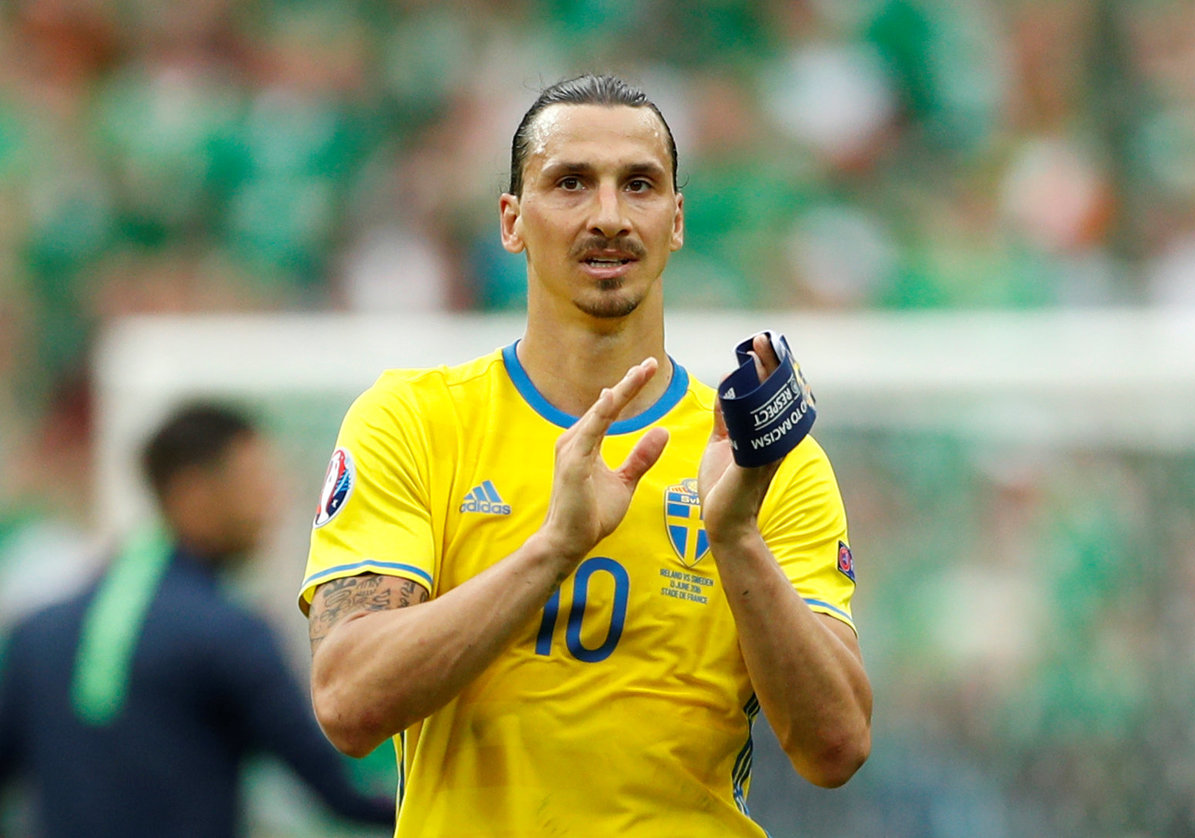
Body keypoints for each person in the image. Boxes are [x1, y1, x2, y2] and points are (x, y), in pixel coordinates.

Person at [300, 73, 872, 837]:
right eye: (570, 183)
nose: (609, 216)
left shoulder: (759, 461)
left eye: (639, 185)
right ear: (512, 222)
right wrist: (554, 549)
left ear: (676, 221)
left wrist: (736, 537)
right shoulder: (415, 421)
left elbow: (836, 748)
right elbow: (347, 703)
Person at [0, 403, 395, 837]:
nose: (273, 502)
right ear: (193, 493)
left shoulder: (37, 633)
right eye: (255, 481)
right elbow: (343, 791)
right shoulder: (228, 633)